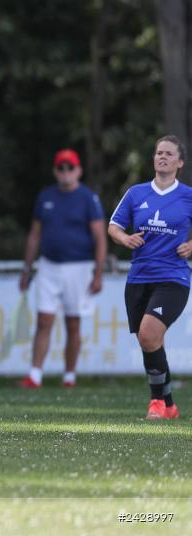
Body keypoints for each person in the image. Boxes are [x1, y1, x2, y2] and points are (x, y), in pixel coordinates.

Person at [109, 135, 192, 420]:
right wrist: (124, 238)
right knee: (150, 341)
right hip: (139, 278)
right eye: (159, 153)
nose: (163, 157)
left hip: (174, 278)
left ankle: (156, 402)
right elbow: (114, 226)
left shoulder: (188, 196)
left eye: (169, 154)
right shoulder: (136, 193)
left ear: (180, 162)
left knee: (149, 334)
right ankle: (169, 404)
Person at [17, 149, 107, 389]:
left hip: (79, 267)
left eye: (70, 168)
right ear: (55, 171)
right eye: (61, 168)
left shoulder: (88, 198)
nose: (65, 172)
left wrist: (98, 273)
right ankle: (35, 375)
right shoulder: (45, 197)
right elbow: (34, 235)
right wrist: (27, 269)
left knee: (73, 323)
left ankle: (69, 376)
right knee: (44, 320)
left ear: (78, 171)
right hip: (48, 266)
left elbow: (100, 237)